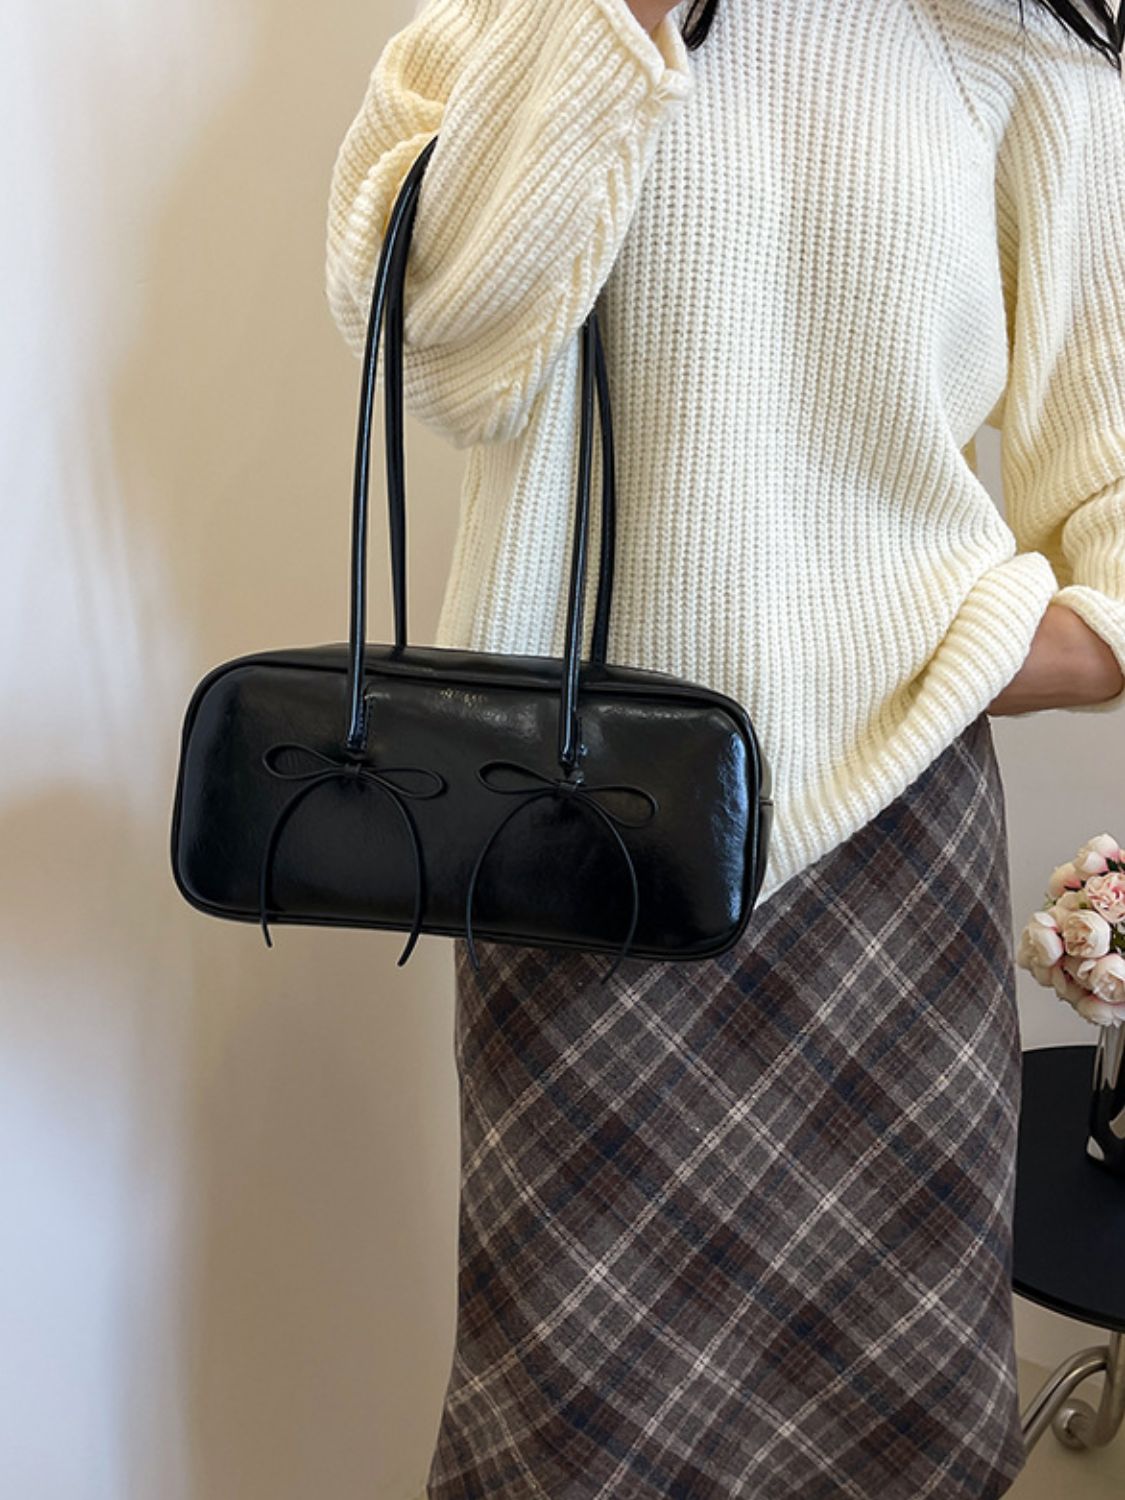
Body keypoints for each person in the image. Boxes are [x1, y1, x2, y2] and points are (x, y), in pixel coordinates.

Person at [325, 1, 1125, 1494]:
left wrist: (995, 642)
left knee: (891, 1411)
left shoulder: (1017, 44)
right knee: (570, 1418)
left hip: (891, 849)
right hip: (575, 840)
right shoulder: (518, 15)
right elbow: (444, 356)